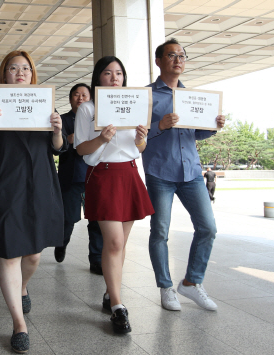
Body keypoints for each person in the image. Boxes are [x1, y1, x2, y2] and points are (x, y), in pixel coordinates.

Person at [0, 51, 66, 354]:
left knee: (34, 255)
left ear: (32, 74)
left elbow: (57, 149)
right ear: (4, 75)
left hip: (38, 183)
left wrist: (58, 130)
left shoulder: (43, 102)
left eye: (25, 68)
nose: (20, 72)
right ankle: (18, 323)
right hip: (4, 184)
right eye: (13, 68)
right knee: (10, 253)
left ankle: (23, 287)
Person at [143, 38, 225, 312]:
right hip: (159, 171)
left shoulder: (193, 97)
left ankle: (191, 282)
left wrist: (213, 127)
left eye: (182, 55)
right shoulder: (147, 95)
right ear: (158, 61)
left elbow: (196, 134)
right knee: (160, 232)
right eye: (171, 55)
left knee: (208, 228)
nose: (178, 60)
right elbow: (135, 133)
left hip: (190, 171)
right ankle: (166, 287)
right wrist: (159, 125)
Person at [74, 56, 154, 333]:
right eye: (108, 73)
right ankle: (118, 306)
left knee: (120, 245)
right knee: (115, 242)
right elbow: (81, 149)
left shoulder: (134, 105)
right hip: (103, 175)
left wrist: (141, 137)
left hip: (129, 173)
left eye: (119, 73)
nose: (114, 78)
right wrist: (102, 138)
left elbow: (138, 149)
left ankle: (110, 293)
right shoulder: (88, 108)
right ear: (98, 78)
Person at [55, 83, 104, 274]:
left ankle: (96, 259)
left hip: (94, 175)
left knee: (96, 220)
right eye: (76, 95)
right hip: (71, 177)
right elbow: (56, 147)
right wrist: (68, 139)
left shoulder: (96, 118)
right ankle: (62, 243)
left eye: (84, 95)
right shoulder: (64, 120)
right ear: (70, 99)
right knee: (69, 218)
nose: (80, 98)